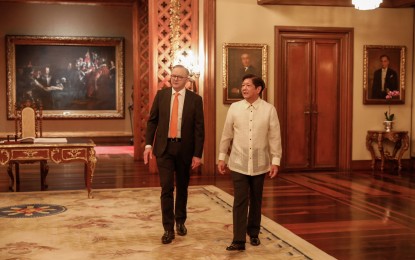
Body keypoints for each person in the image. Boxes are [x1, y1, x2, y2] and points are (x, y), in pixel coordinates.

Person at [218, 74, 282, 251]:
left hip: (260, 163)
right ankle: (238, 239)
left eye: (248, 85)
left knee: (256, 199)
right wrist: (222, 157)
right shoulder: (234, 108)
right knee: (240, 199)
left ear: (258, 89)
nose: (244, 88)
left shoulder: (269, 110)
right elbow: (227, 134)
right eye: (242, 85)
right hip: (238, 161)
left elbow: (275, 137)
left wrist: (275, 161)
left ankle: (253, 233)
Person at [143, 64, 205, 245]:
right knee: (167, 188)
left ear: (187, 80)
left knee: (183, 187)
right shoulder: (161, 96)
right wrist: (148, 145)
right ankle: (168, 228)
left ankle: (180, 221)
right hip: (164, 149)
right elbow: (152, 122)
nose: (175, 79)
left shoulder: (195, 100)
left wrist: (197, 154)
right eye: (173, 76)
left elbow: (199, 129)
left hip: (185, 149)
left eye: (180, 76)